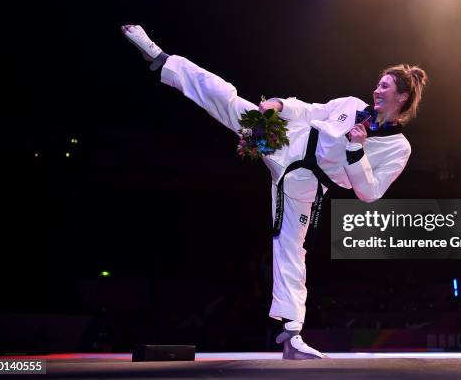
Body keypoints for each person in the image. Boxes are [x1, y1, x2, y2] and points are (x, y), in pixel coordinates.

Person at [121, 25, 428, 359]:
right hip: (284, 139)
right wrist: (280, 105)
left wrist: (356, 151)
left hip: (304, 184)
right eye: (378, 83)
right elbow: (312, 110)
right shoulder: (352, 105)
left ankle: (291, 335)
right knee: (229, 100)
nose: (376, 89)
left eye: (385, 86)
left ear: (402, 97)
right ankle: (162, 60)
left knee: (291, 248)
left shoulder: (399, 147)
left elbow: (370, 193)